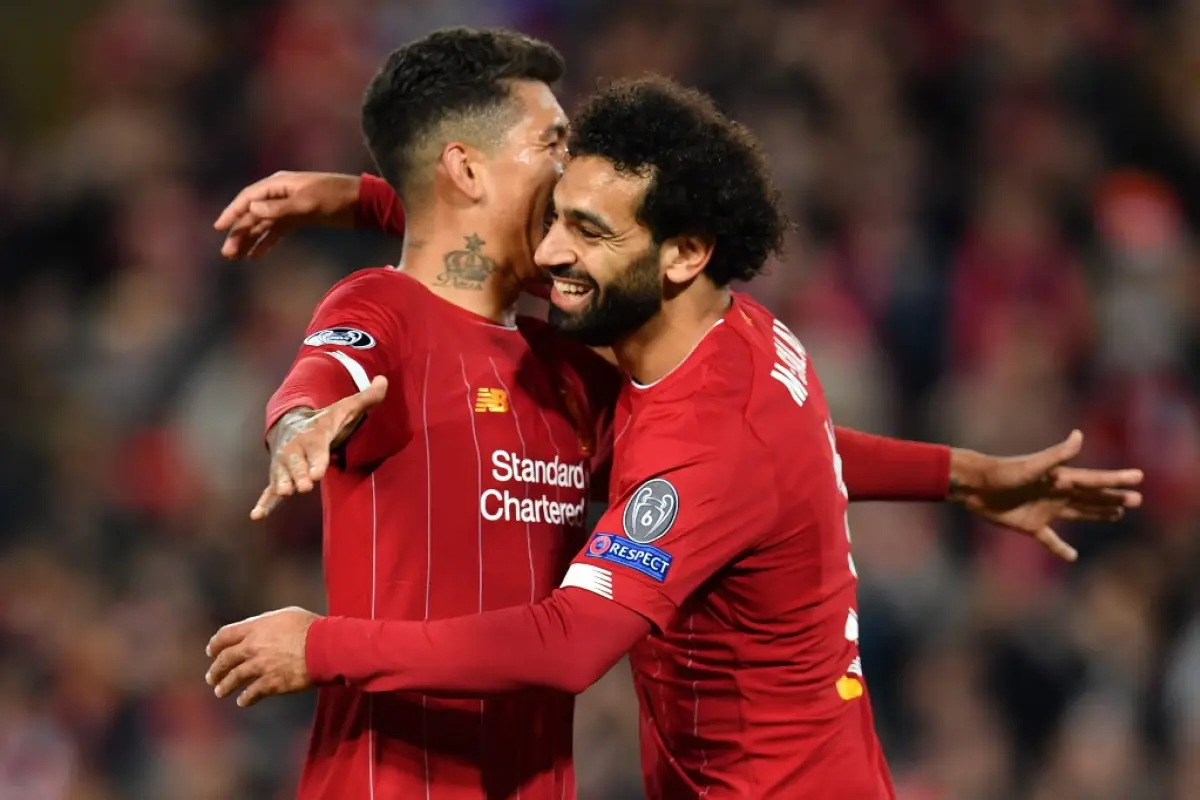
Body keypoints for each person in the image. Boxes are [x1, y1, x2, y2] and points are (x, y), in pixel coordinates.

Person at [207, 75, 1144, 799]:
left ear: (683, 253)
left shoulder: (697, 439)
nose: (553, 255)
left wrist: (323, 647)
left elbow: (569, 646)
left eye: (586, 231)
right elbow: (803, 455)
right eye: (558, 217)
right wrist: (964, 474)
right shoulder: (725, 332)